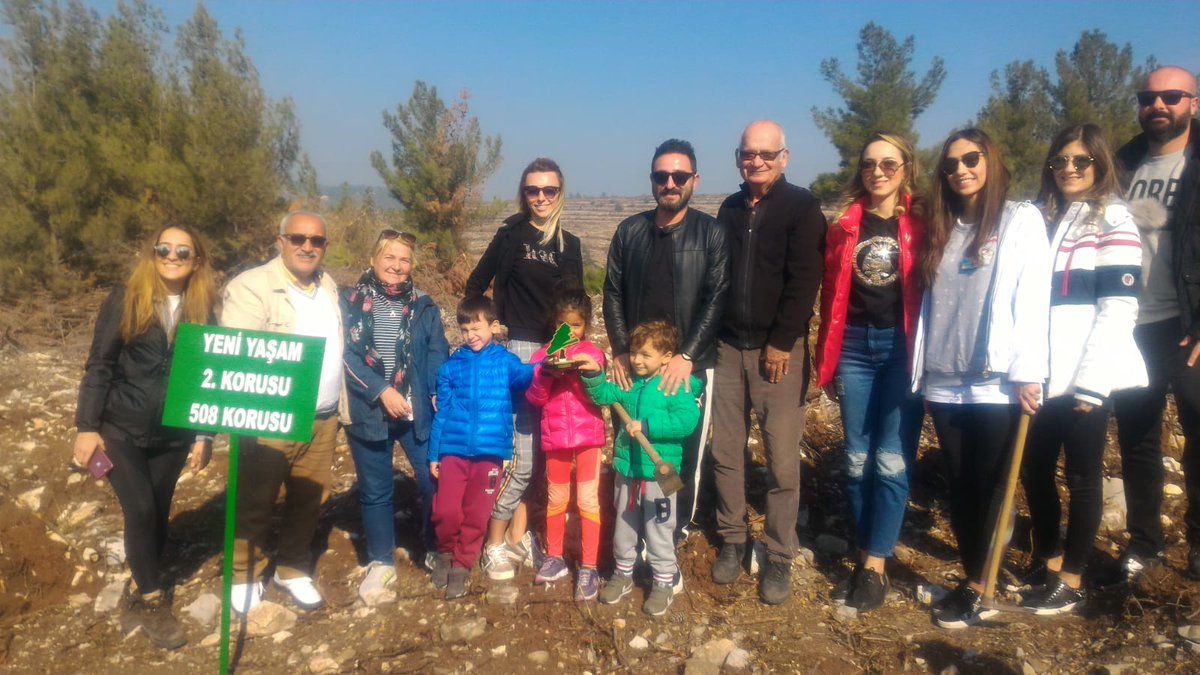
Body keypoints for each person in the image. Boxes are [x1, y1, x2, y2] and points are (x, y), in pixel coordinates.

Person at [912, 128, 1051, 629]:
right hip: (945, 377)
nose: (961, 170)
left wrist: (1029, 370)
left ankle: (979, 587)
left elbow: (1033, 296)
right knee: (961, 485)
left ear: (990, 161)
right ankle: (975, 574)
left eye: (971, 159)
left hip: (997, 379)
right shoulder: (942, 225)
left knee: (992, 485)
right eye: (950, 164)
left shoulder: (1019, 219)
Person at [1017, 124, 1146, 614]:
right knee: (1034, 467)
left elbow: (1118, 308)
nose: (1068, 168)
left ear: (1099, 164)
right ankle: (1048, 560)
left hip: (1085, 373)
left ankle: (1072, 579)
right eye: (1060, 160)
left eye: (1080, 160)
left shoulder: (1114, 219)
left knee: (1082, 476)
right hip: (1041, 371)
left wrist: (1093, 382)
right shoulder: (1041, 218)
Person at [73, 225, 216, 649]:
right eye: (163, 248)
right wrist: (86, 427)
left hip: (174, 432)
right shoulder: (126, 297)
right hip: (120, 427)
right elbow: (100, 363)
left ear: (196, 261)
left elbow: (206, 374)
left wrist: (204, 434)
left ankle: (138, 590)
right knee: (139, 508)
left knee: (158, 511)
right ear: (153, 253)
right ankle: (153, 602)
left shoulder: (204, 307)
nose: (172, 256)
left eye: (183, 251)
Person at [711, 120, 826, 605]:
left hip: (778, 351)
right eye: (747, 153)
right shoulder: (730, 208)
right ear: (738, 157)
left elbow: (805, 280)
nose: (755, 161)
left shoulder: (802, 207)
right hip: (727, 347)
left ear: (784, 157)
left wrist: (781, 341)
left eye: (765, 153)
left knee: (781, 459)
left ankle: (778, 552)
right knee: (726, 451)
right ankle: (733, 538)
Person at [814, 132, 927, 613]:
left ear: (906, 169)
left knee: (891, 459)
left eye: (888, 164)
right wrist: (825, 358)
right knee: (858, 459)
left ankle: (876, 564)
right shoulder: (844, 226)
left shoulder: (924, 223)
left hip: (903, 347)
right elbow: (829, 294)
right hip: (855, 348)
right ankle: (866, 553)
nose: (877, 172)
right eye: (868, 164)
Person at [220, 210, 346, 614]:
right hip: (272, 415)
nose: (307, 247)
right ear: (280, 242)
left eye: (316, 241)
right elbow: (239, 353)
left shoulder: (327, 285)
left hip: (323, 414)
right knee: (256, 497)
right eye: (298, 239)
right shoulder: (251, 287)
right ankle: (244, 574)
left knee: (311, 496)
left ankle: (292, 568)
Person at [603, 138, 729, 539]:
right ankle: (632, 533)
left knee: (682, 451)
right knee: (631, 444)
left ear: (694, 179)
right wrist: (621, 350)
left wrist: (686, 356)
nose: (670, 183)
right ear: (652, 180)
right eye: (662, 176)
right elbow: (612, 293)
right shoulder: (630, 231)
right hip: (634, 366)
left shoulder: (711, 234)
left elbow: (716, 297)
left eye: (679, 176)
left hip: (685, 368)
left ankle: (672, 535)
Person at [466, 157, 583, 581]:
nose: (541, 197)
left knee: (545, 454)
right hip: (517, 350)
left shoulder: (570, 244)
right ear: (523, 192)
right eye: (533, 190)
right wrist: (490, 327)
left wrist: (565, 349)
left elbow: (575, 305)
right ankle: (493, 543)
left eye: (549, 190)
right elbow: (476, 284)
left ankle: (518, 536)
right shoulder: (510, 235)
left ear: (560, 192)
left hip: (555, 354)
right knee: (523, 457)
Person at [1111, 65, 1200, 583]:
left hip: (1187, 324)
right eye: (1148, 98)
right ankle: (1144, 543)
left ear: (1193, 103)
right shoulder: (1121, 164)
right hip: (1130, 323)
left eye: (1171, 96)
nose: (1158, 106)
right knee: (1137, 439)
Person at [341, 229, 449, 600]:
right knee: (376, 490)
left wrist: (434, 393)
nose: (397, 265)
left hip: (414, 413)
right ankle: (381, 561)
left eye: (404, 259)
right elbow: (346, 355)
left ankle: (434, 546)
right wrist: (381, 390)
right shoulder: (350, 302)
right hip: (369, 411)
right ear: (373, 259)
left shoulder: (423, 305)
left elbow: (437, 352)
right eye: (389, 257)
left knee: (433, 480)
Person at [577, 321, 702, 617]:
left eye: (646, 354)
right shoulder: (629, 383)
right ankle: (622, 572)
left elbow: (687, 422)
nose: (637, 360)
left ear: (667, 357)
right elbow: (602, 395)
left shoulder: (676, 387)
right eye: (634, 353)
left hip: (661, 472)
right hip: (627, 470)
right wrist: (593, 375)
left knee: (660, 527)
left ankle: (663, 581)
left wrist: (647, 426)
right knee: (624, 526)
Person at [428, 296, 535, 599]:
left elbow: (527, 376)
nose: (470, 335)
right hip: (453, 449)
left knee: (476, 514)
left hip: (491, 453)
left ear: (494, 327)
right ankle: (445, 552)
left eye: (476, 328)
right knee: (446, 510)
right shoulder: (451, 368)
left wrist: (549, 362)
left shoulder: (505, 362)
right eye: (464, 329)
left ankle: (462, 564)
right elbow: (442, 413)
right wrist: (434, 453)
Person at [524, 288, 607, 599]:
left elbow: (598, 393)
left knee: (587, 501)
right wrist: (546, 373)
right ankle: (555, 557)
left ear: (586, 326)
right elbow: (535, 398)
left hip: (588, 438)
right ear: (554, 323)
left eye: (576, 324)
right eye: (563, 324)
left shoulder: (593, 353)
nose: (569, 331)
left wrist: (588, 372)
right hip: (555, 437)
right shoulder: (541, 356)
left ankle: (589, 566)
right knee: (556, 499)